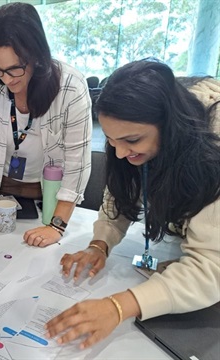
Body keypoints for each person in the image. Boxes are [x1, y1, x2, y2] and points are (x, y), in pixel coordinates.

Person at [45, 60, 220, 349]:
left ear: (170, 126)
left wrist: (118, 306)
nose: (122, 152)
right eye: (112, 141)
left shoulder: (211, 147)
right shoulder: (130, 142)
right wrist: (100, 243)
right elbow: (121, 193)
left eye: (133, 140)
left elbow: (211, 266)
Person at [0, 2, 92, 245]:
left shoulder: (70, 87)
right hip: (0, 193)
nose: (6, 79)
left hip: (48, 200)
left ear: (36, 55)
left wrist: (57, 226)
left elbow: (78, 163)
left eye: (15, 69)